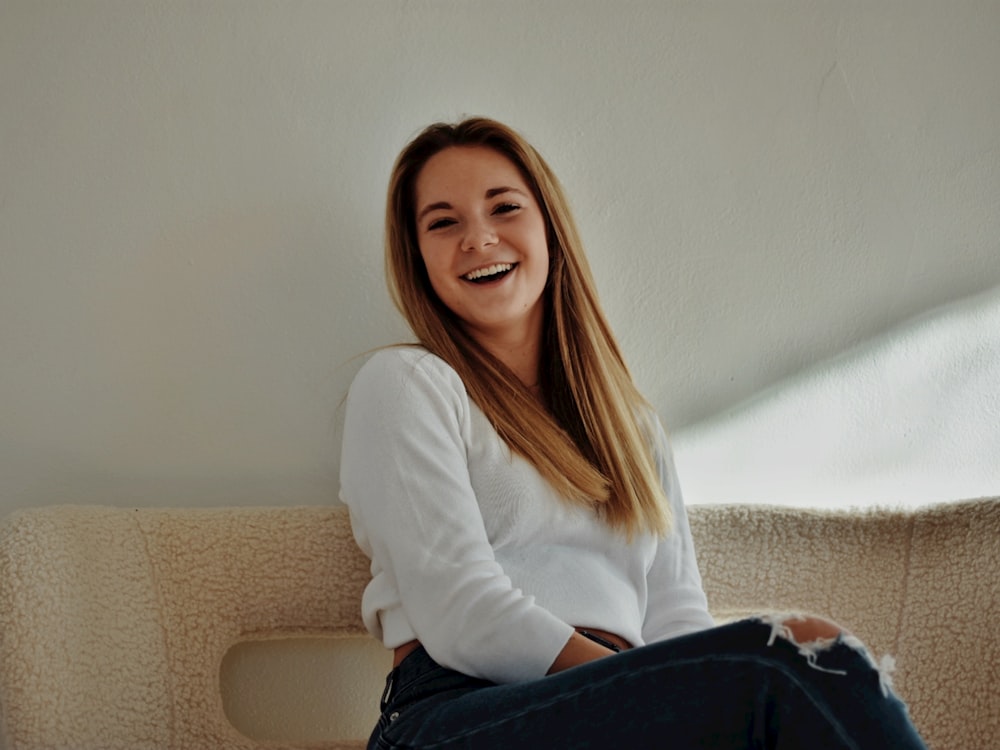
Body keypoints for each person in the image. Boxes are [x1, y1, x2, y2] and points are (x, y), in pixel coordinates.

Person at [339, 117, 928, 749]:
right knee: (801, 652)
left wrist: (679, 691)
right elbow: (461, 611)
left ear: (549, 230)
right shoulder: (407, 383)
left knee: (805, 675)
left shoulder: (630, 426)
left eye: (503, 207)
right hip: (455, 716)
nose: (478, 238)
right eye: (443, 222)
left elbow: (675, 618)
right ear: (418, 256)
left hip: (614, 709)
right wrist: (669, 684)